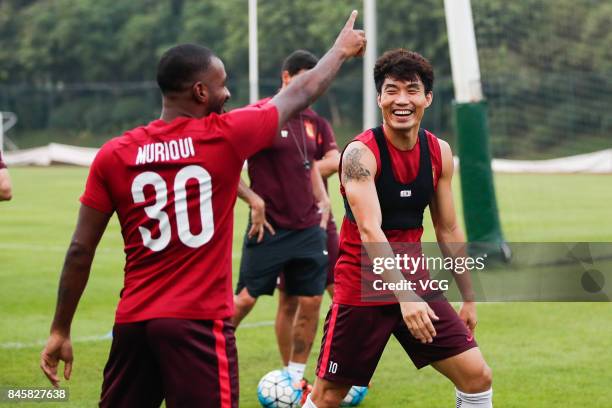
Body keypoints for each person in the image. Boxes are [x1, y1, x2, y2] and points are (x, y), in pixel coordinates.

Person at [39, 11, 366, 407]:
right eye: (222, 85)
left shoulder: (114, 154)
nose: (227, 94)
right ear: (199, 92)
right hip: (197, 323)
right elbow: (301, 93)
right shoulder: (225, 137)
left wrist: (60, 329)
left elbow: (79, 250)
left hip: (133, 322)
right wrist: (341, 50)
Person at [305, 49, 493, 408]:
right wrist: (404, 298)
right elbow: (370, 231)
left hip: (416, 282)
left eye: (411, 90)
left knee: (477, 376)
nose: (402, 100)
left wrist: (469, 296)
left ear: (428, 98)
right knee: (328, 396)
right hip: (363, 286)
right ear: (379, 98)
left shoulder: (439, 152)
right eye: (392, 90)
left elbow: (448, 227)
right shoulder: (360, 155)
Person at [232, 50, 340, 398]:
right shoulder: (262, 115)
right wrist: (254, 200)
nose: (310, 88)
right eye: (304, 80)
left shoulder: (315, 123)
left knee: (310, 302)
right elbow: (224, 161)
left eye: (315, 81)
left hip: (309, 229)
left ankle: (295, 379)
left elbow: (322, 161)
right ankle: (199, 356)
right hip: (270, 230)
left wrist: (322, 195)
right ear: (286, 78)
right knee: (245, 301)